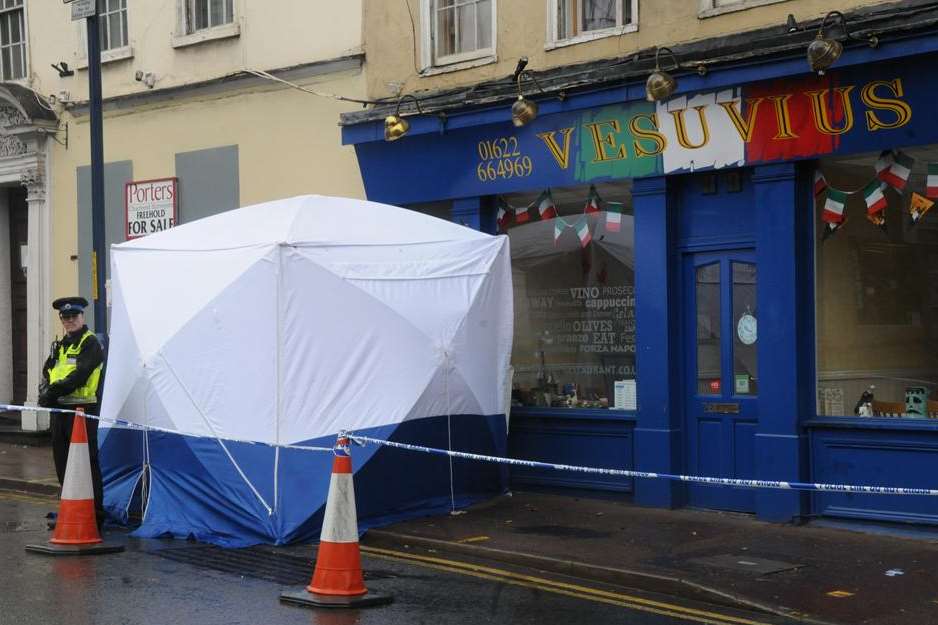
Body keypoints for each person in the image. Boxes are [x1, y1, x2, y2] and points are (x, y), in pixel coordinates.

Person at [37, 296, 105, 530]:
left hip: (82, 412)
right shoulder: (60, 344)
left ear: (82, 317)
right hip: (61, 412)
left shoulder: (90, 343)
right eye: (65, 317)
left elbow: (79, 375)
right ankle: (71, 511)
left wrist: (51, 393)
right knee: (63, 463)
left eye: (73, 316)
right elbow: (49, 370)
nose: (69, 321)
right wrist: (44, 391)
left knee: (87, 464)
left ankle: (94, 515)